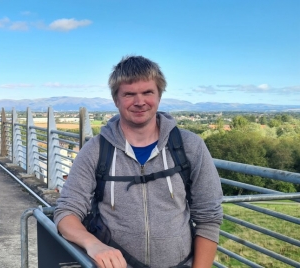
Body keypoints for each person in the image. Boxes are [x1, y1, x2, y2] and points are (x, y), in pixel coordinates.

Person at [54, 55, 223, 268]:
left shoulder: (190, 146)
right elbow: (65, 212)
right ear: (116, 99)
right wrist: (93, 245)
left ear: (159, 95)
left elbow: (209, 218)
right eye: (129, 94)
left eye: (147, 92)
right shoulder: (96, 150)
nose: (139, 102)